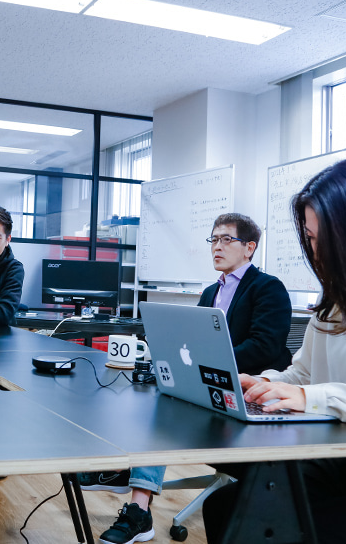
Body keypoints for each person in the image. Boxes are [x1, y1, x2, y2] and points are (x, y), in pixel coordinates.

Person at [203, 157, 346, 543]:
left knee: (318, 527)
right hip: (342, 458)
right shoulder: (336, 304)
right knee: (226, 506)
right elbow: (301, 373)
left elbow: (317, 391)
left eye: (325, 239)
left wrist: (317, 397)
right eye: (312, 239)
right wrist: (264, 383)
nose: (317, 253)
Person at [83, 213, 293, 544]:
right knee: (158, 393)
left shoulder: (268, 288)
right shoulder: (211, 292)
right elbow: (193, 343)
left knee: (166, 407)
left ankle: (129, 484)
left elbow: (265, 345)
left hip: (249, 389)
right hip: (210, 382)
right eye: (214, 239)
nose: (217, 247)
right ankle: (137, 503)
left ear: (249, 248)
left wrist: (211, 364)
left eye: (226, 239)